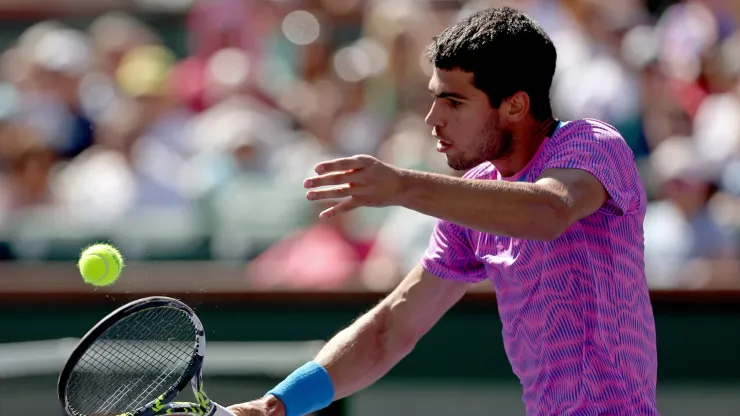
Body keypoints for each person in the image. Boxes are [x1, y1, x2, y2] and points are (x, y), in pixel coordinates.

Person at [228, 7, 658, 416]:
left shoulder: (593, 144)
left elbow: (547, 212)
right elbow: (390, 330)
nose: (433, 118)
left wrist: (402, 185)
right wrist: (278, 404)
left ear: (514, 105)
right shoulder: (473, 199)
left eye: (454, 102)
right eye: (435, 98)